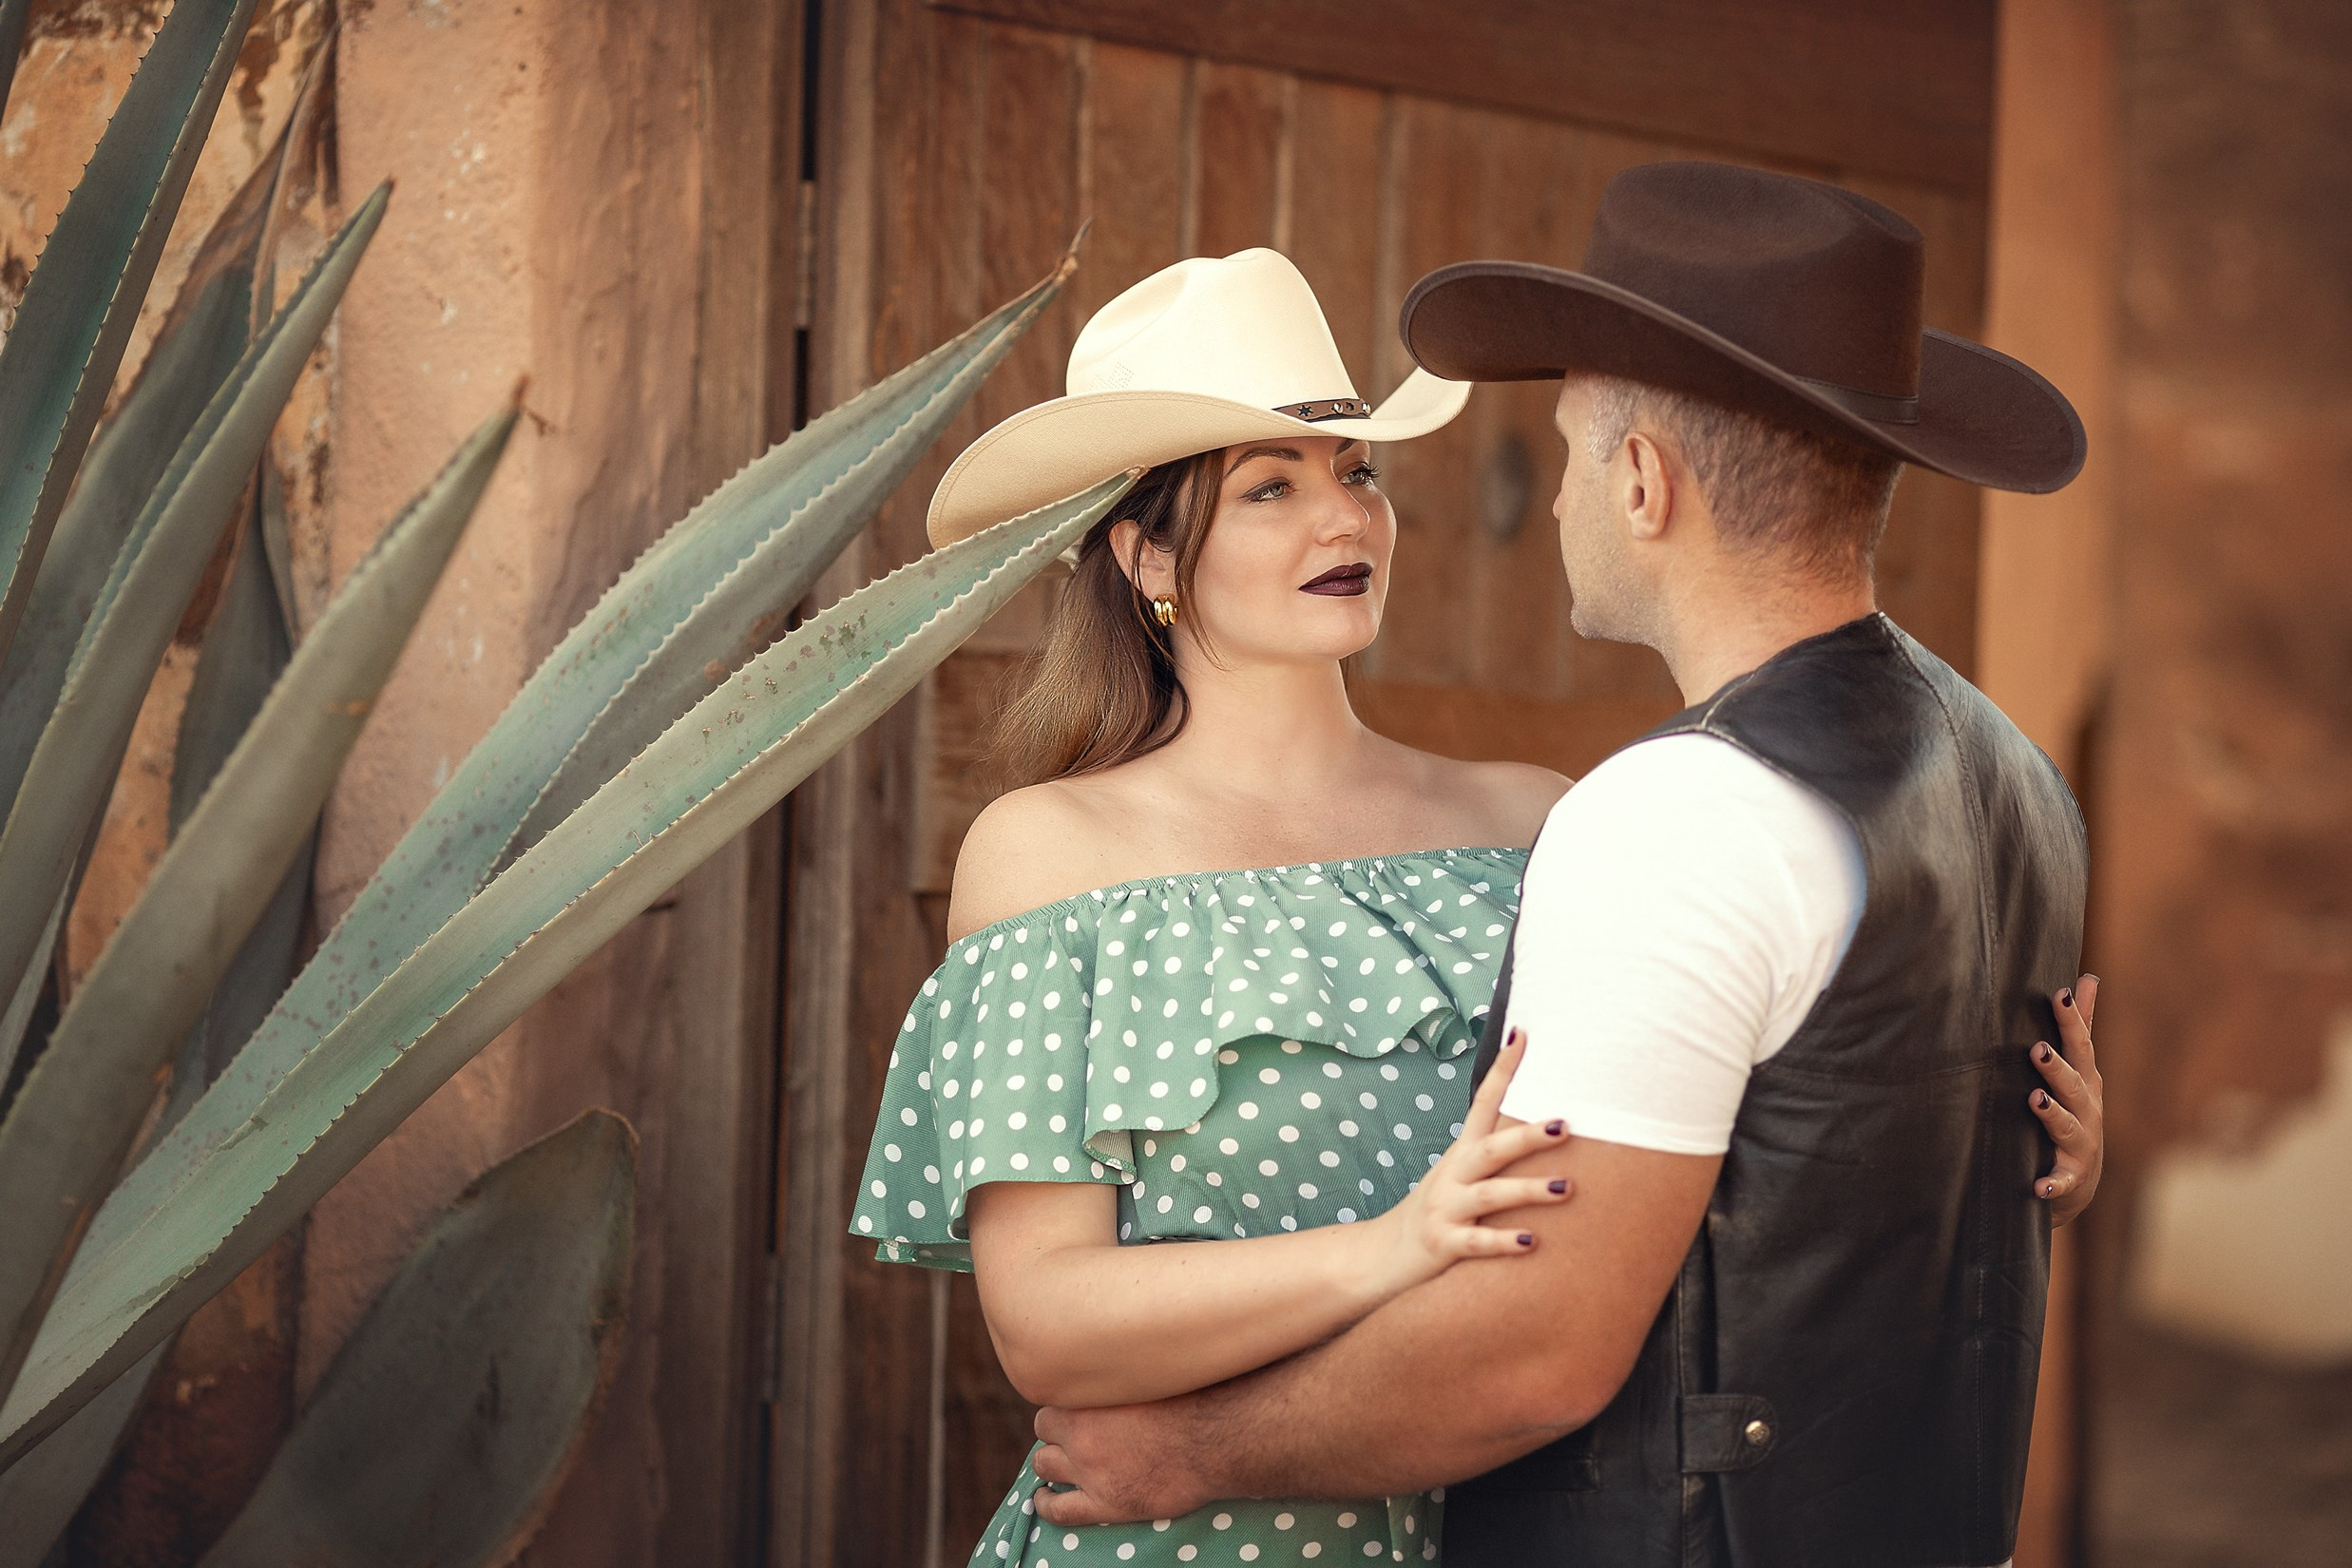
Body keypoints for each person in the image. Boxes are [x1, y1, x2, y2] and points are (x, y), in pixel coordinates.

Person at [1022, 163, 2105, 1568]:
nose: (1551, 506)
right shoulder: (2022, 780)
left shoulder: (1670, 811)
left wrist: (1194, 1454)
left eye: (1575, 454)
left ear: (1642, 483)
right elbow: (1860, 1182)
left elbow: (1536, 1355)